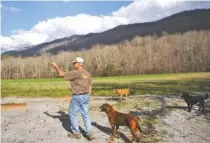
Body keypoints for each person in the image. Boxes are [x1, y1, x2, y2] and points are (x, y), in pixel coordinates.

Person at [51, 57, 94, 140]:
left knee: (72, 114)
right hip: (85, 96)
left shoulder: (76, 73)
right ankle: (89, 132)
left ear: (79, 63)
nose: (73, 64)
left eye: (74, 63)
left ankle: (76, 133)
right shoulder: (87, 73)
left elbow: (61, 74)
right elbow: (90, 86)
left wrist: (56, 66)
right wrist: (87, 96)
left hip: (77, 96)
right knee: (85, 114)